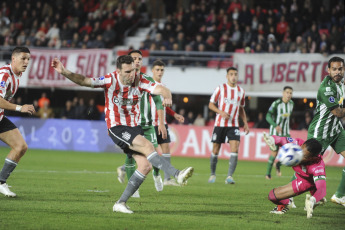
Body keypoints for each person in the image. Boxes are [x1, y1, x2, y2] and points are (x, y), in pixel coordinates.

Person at [51, 55, 194, 214]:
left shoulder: (139, 80)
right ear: (118, 71)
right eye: (127, 71)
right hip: (117, 127)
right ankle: (176, 174)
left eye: (133, 70)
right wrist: (64, 71)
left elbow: (161, 89)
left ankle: (120, 203)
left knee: (145, 166)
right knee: (148, 146)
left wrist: (167, 96)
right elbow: (84, 80)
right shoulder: (109, 80)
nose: (131, 74)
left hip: (134, 127)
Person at [116, 50, 167, 197]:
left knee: (154, 154)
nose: (137, 61)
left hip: (147, 124)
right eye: (134, 58)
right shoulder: (121, 80)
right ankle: (135, 187)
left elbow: (158, 101)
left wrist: (161, 123)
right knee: (130, 155)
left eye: (139, 58)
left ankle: (156, 175)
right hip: (130, 124)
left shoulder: (146, 80)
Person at [307, 56, 345, 207]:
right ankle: (286, 198)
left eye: (340, 69)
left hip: (336, 131)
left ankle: (340, 195)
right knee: (307, 167)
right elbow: (338, 112)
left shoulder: (341, 84)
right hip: (320, 132)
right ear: (328, 70)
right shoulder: (326, 88)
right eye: (334, 69)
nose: (337, 72)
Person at [0, 47, 36, 197]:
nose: (26, 62)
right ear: (13, 59)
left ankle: (1, 182)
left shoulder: (17, 75)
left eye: (28, 59)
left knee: (20, 147)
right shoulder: (4, 75)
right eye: (23, 58)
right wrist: (20, 108)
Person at [266, 135, 326, 218]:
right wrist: (272, 139)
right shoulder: (297, 144)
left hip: (306, 182)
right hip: (299, 177)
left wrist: (313, 200)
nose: (299, 155)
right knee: (271, 196)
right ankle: (288, 203)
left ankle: (316, 198)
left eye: (304, 156)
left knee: (317, 193)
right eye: (300, 151)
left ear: (312, 158)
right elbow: (282, 140)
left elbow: (322, 188)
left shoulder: (317, 166)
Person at [208, 67, 249, 184]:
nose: (233, 76)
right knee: (215, 150)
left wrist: (245, 123)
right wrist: (220, 112)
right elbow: (211, 104)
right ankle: (212, 174)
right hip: (219, 124)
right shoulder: (220, 88)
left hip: (234, 125)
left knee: (235, 148)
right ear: (227, 76)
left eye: (235, 74)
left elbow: (241, 108)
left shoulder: (241, 91)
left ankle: (229, 176)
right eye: (231, 74)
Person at [150, 60, 185, 186]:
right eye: (157, 69)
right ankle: (123, 168)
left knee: (166, 150)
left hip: (162, 122)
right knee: (149, 153)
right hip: (150, 124)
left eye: (162, 70)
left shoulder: (163, 87)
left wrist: (175, 114)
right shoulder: (148, 85)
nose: (160, 72)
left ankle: (167, 179)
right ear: (152, 70)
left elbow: (164, 106)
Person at [265, 86, 294, 180]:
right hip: (275, 133)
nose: (289, 95)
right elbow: (268, 116)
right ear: (283, 93)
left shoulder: (291, 104)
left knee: (291, 151)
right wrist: (275, 125)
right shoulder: (276, 104)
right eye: (287, 92)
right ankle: (268, 174)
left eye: (290, 93)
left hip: (286, 133)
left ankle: (278, 164)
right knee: (274, 153)